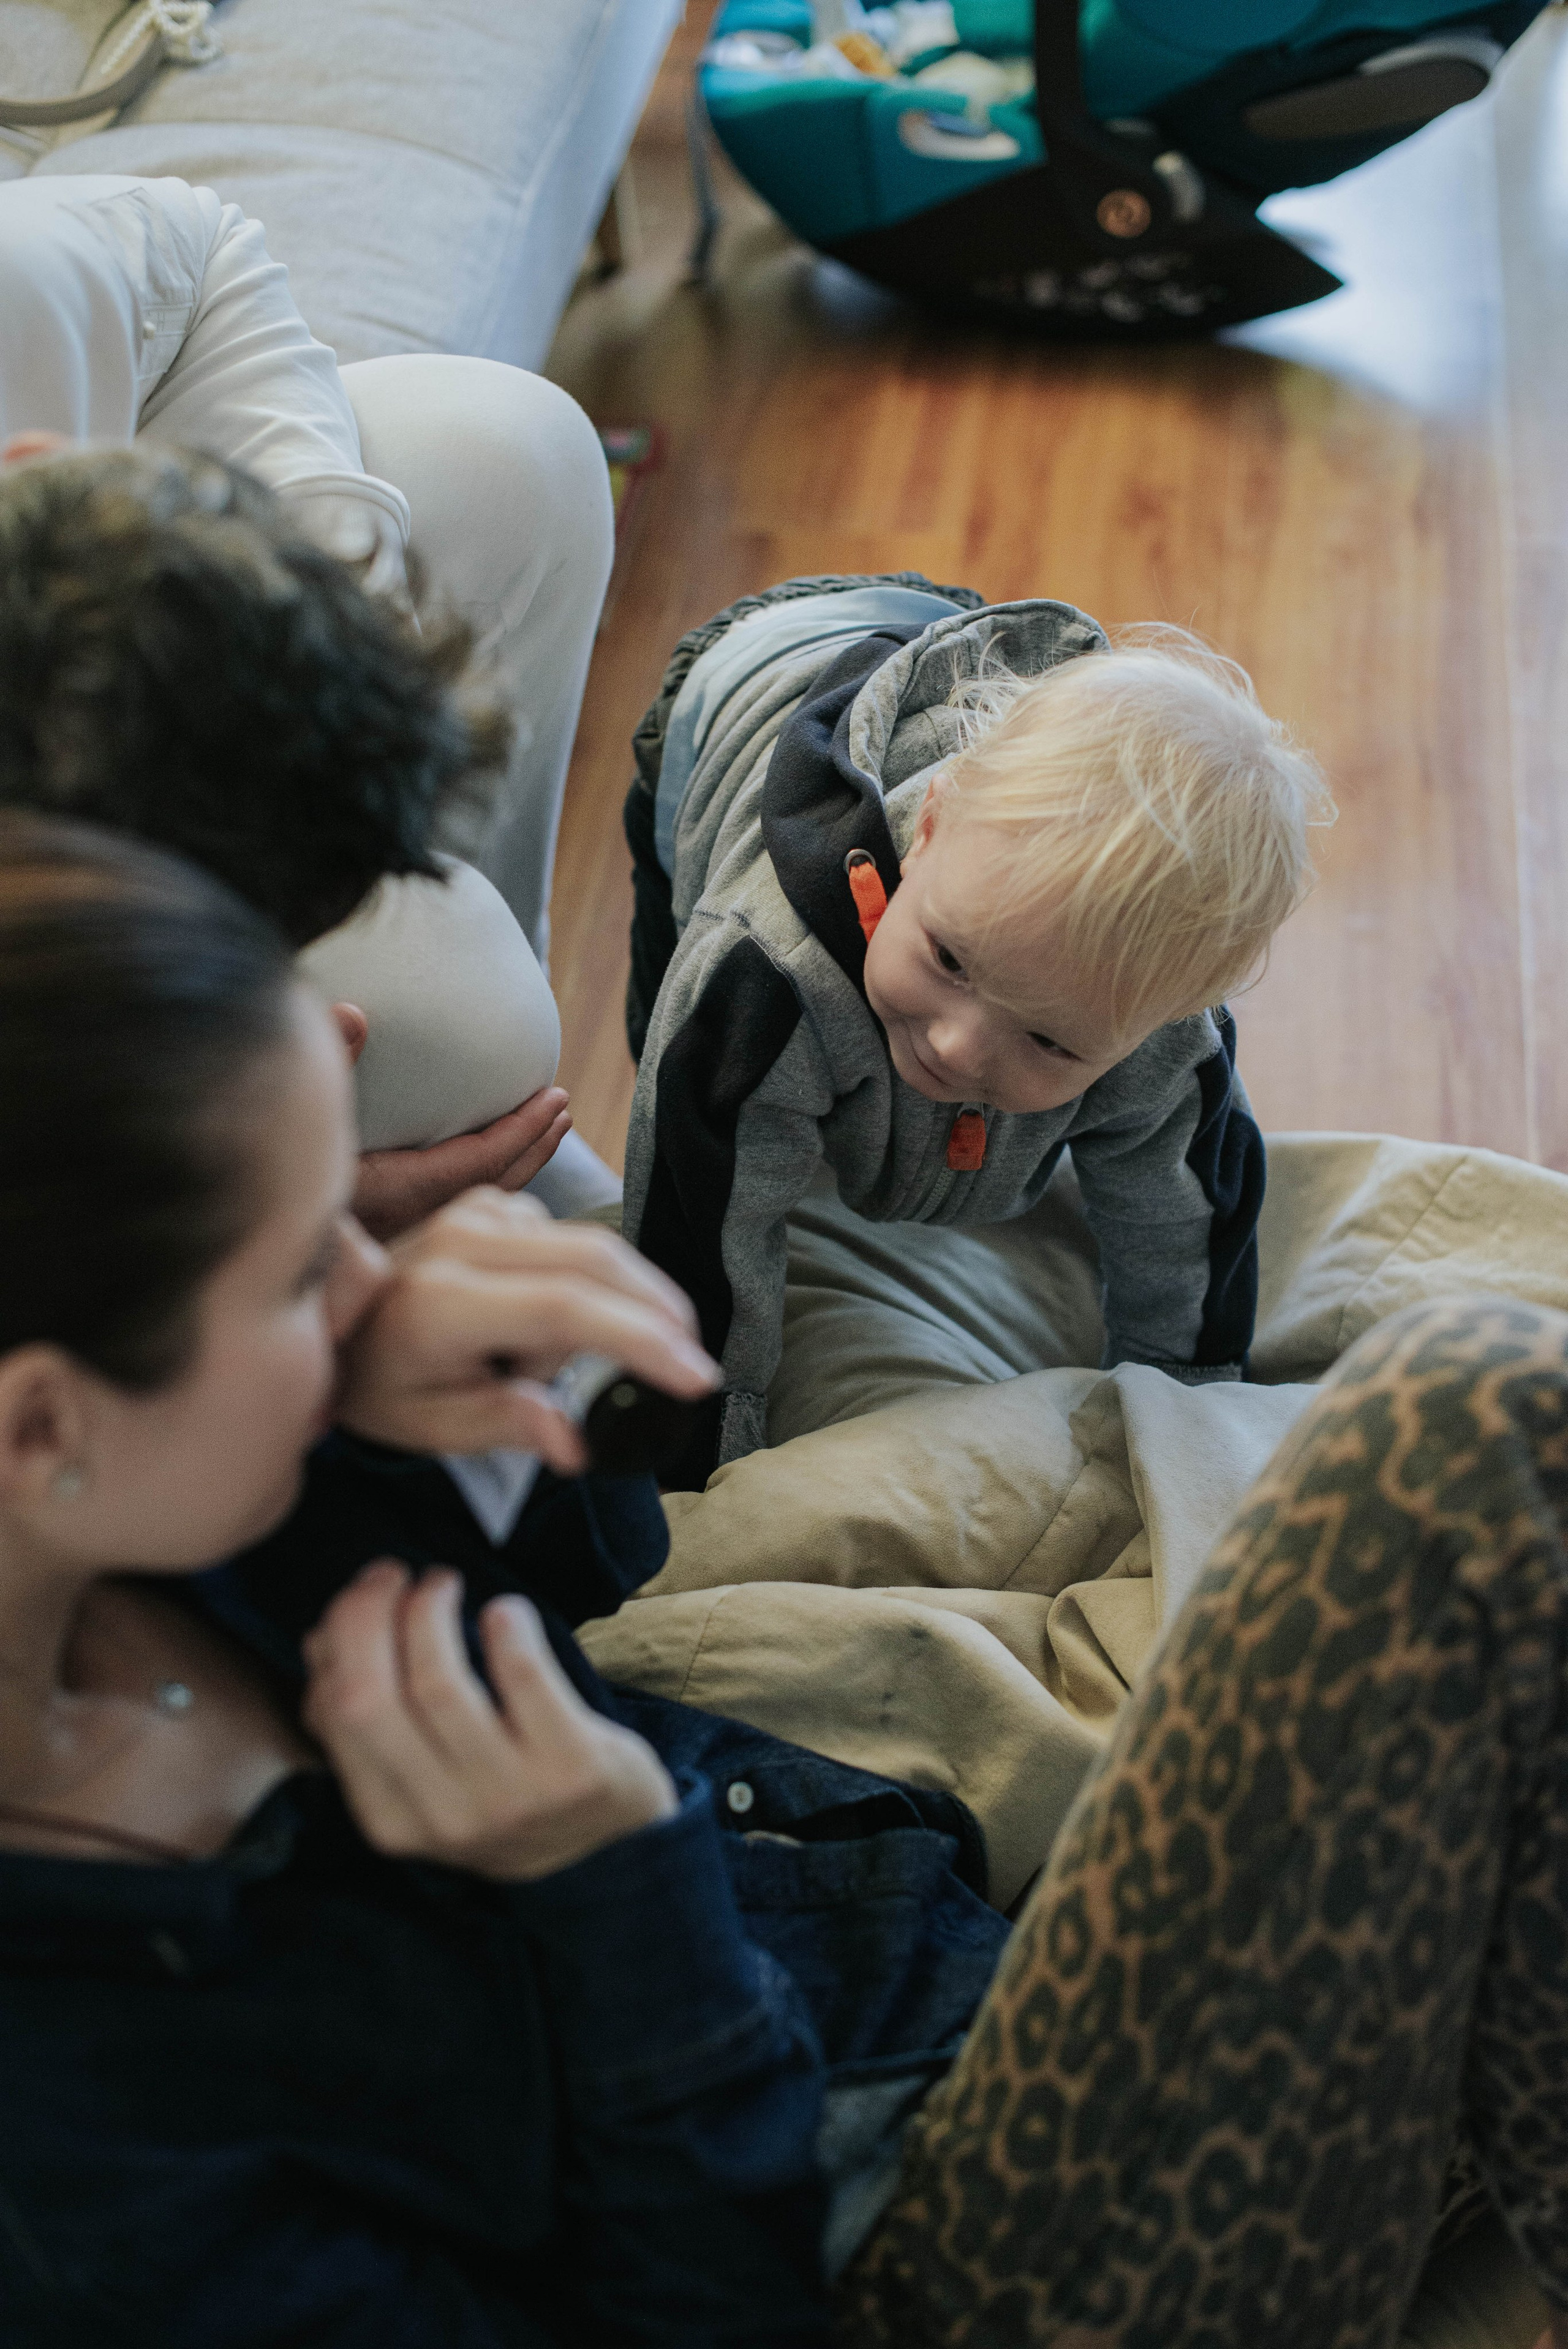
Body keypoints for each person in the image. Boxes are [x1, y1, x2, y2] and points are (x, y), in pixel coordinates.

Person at [0, 827, 1562, 2348]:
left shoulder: (174, 1513)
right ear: (43, 1423)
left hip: (895, 1953)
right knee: (1474, 1422)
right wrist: (610, 1888)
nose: (367, 1283)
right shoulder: (75, 2185)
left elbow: (596, 1572)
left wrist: (496, 1413)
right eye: (300, 1268)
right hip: (881, 2254)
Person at [0, 171, 622, 1223]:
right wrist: (273, 1211)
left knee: (510, 447)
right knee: (470, 1031)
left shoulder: (27, 291)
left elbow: (198, 247)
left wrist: (328, 603)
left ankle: (492, 1130)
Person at [621, 575, 1331, 1481]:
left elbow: (1188, 1223)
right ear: (932, 828)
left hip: (945, 652)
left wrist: (1184, 1401)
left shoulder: (1160, 1033)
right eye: (950, 960)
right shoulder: (765, 962)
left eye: (1050, 1041)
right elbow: (696, 1210)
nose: (956, 1046)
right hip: (732, 685)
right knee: (679, 1063)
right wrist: (692, 1451)